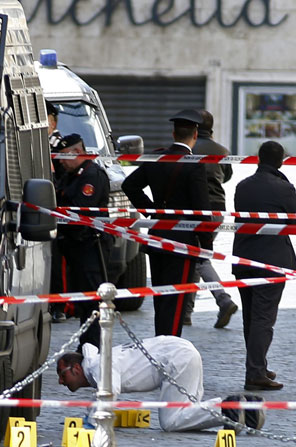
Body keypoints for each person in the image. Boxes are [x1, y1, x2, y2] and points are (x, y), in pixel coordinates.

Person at [122, 109, 211, 337]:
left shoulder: (157, 158)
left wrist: (153, 211)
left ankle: (160, 341)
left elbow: (129, 185)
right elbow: (202, 210)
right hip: (182, 242)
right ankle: (169, 347)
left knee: (161, 297)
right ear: (195, 134)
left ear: (173, 133)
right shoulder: (194, 165)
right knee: (176, 301)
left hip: (158, 235)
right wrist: (206, 245)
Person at [56, 337, 264, 432]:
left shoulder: (97, 366)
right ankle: (248, 410)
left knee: (172, 421)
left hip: (176, 358)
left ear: (75, 369)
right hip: (181, 351)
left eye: (62, 375)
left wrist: (93, 421)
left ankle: (228, 409)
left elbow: (110, 390)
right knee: (188, 413)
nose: (60, 381)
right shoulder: (98, 363)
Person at [232, 141, 296, 392]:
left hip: (242, 259)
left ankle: (257, 365)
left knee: (250, 317)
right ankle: (256, 373)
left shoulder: (242, 186)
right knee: (263, 319)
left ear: (258, 158)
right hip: (271, 261)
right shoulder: (283, 187)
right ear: (280, 160)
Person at [181, 109, 238, 329]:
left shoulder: (189, 148)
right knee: (196, 257)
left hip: (195, 209)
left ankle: (223, 299)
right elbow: (227, 176)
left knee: (198, 258)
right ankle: (186, 313)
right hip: (217, 209)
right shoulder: (221, 149)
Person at [54, 133, 112, 347]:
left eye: (63, 156)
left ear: (77, 152)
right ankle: (86, 344)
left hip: (90, 247)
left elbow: (79, 212)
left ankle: (94, 346)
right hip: (75, 248)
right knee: (82, 301)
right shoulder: (71, 174)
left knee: (93, 301)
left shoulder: (91, 175)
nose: (60, 160)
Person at [47, 100, 68, 324]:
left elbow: (61, 178)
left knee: (55, 261)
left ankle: (59, 305)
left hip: (55, 209)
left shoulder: (58, 144)